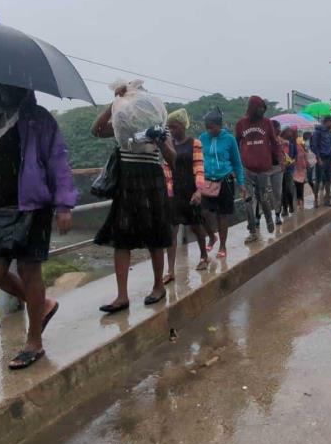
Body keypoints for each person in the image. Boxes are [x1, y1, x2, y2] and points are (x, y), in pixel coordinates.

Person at [0, 83, 75, 370]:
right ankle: (42, 305)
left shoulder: (39, 119)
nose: (4, 90)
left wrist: (64, 205)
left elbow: (58, 161)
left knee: (30, 271)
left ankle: (34, 342)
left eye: (10, 85)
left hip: (33, 207)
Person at [92, 81, 175, 313]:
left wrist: (158, 138)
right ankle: (122, 296)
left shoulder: (160, 126)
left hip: (150, 177)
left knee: (156, 234)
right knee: (121, 236)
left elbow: (172, 159)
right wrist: (113, 106)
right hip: (127, 180)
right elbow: (96, 131)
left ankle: (159, 286)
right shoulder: (123, 123)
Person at [163, 109, 210, 281]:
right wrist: (168, 192)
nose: (172, 130)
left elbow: (199, 167)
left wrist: (199, 190)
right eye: (169, 128)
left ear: (182, 126)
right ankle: (170, 270)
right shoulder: (169, 146)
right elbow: (167, 168)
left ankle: (204, 256)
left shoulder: (194, 143)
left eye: (174, 127)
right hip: (175, 192)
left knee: (196, 227)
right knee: (171, 232)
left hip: (191, 191)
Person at [200, 109, 246, 258]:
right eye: (207, 127)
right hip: (208, 181)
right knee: (203, 212)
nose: (209, 130)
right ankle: (212, 236)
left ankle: (222, 245)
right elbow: (199, 159)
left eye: (212, 127)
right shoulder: (203, 138)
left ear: (219, 126)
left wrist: (241, 183)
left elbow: (237, 163)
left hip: (225, 180)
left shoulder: (229, 139)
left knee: (222, 215)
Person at [235, 96, 281, 241]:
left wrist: (279, 159)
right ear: (253, 108)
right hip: (246, 168)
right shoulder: (241, 124)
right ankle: (252, 231)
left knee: (263, 198)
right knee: (247, 200)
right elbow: (235, 143)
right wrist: (236, 165)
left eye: (263, 108)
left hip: (263, 168)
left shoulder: (267, 123)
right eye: (260, 108)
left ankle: (268, 219)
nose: (262, 110)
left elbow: (274, 143)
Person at [311, 116, 331, 206]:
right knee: (318, 180)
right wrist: (318, 158)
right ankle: (316, 199)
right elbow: (314, 146)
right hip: (321, 159)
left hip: (329, 159)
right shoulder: (317, 132)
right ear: (326, 122)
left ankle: (327, 199)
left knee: (328, 179)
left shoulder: (329, 133)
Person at [269, 120, 285, 225]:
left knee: (277, 192)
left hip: (277, 168)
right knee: (261, 194)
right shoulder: (265, 139)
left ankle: (277, 214)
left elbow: (280, 153)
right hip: (265, 168)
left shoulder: (279, 140)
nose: (279, 130)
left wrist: (282, 162)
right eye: (277, 127)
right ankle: (258, 217)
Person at [280, 126, 298, 216]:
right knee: (282, 189)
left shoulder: (292, 142)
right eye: (289, 131)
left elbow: (295, 155)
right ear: (284, 132)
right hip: (280, 169)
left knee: (289, 188)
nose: (290, 133)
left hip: (289, 168)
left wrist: (292, 161)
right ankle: (284, 209)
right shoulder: (278, 141)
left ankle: (290, 204)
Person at [292, 128, 308, 208]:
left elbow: (305, 154)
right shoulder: (291, 144)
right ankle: (298, 202)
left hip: (301, 168)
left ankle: (300, 202)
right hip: (295, 168)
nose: (296, 134)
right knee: (297, 185)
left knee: (300, 185)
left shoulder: (300, 143)